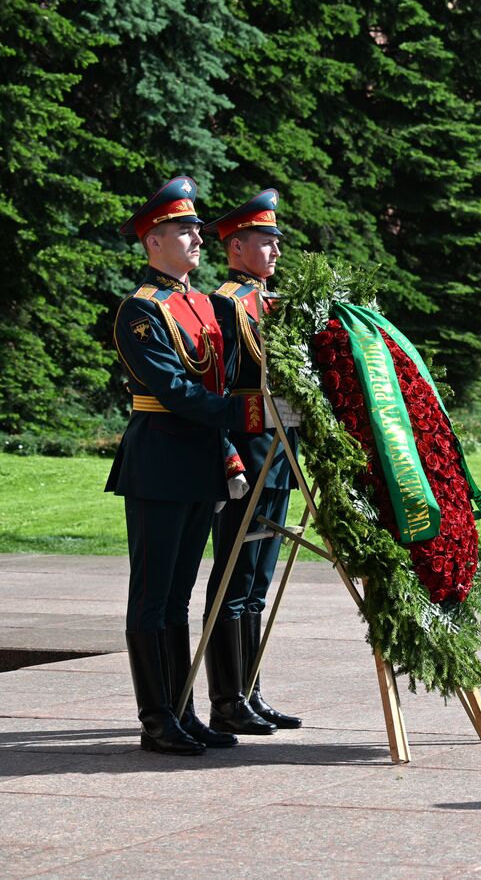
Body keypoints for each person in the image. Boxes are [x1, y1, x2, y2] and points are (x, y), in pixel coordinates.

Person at [108, 177, 265, 755]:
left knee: (180, 594)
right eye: (184, 230)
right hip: (159, 458)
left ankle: (183, 710)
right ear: (153, 242)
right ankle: (156, 719)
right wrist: (250, 412)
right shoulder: (141, 311)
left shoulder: (201, 303)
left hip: (199, 459)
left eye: (197, 229)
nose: (198, 237)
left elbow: (217, 377)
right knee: (153, 595)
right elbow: (174, 389)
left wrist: (226, 443)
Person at [202, 188, 302, 734]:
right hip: (247, 456)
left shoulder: (269, 301)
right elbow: (217, 388)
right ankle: (225, 700)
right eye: (267, 243)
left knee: (259, 581)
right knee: (234, 578)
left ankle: (250, 689)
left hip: (280, 455)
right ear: (237, 246)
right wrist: (227, 456)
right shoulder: (224, 303)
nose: (276, 252)